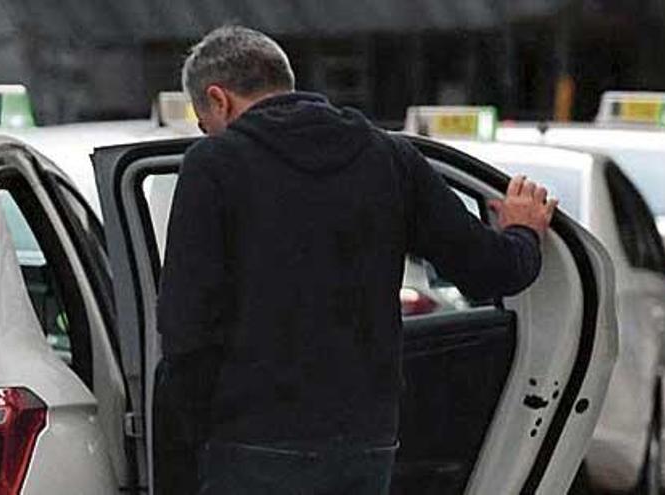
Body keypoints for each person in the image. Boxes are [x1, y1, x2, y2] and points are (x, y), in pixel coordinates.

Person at [155, 25, 557, 495]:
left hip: (251, 440)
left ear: (218, 99)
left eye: (204, 121)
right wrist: (524, 229)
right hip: (364, 444)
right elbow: (491, 270)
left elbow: (185, 322)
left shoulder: (214, 164)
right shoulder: (388, 156)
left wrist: (198, 429)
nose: (207, 132)